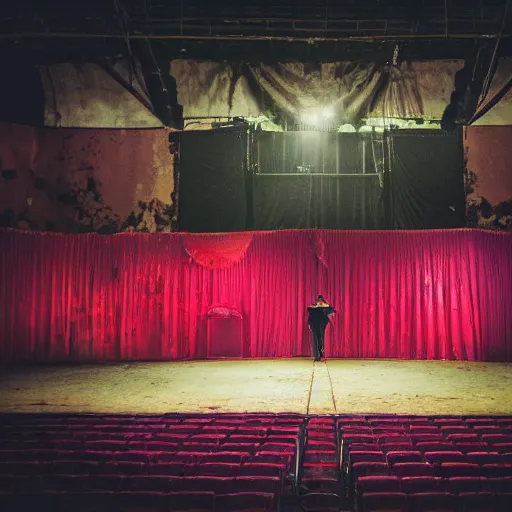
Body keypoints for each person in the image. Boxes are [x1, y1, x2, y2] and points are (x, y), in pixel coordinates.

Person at [307, 295, 335, 361]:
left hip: (323, 323)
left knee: (321, 337)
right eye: (318, 300)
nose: (320, 301)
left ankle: (321, 355)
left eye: (321, 300)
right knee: (318, 338)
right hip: (316, 323)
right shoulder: (314, 307)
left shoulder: (325, 307)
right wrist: (317, 306)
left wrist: (323, 305)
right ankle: (320, 355)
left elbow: (331, 309)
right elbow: (309, 309)